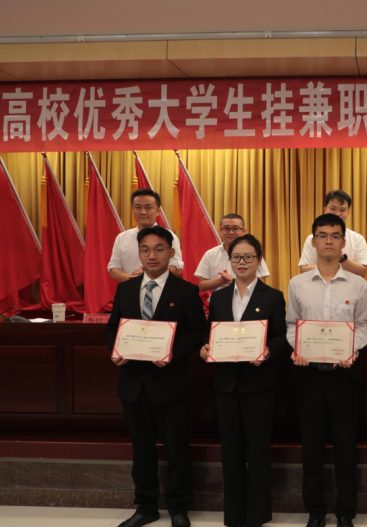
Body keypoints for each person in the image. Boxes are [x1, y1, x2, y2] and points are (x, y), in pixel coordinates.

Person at [105, 226, 206, 527]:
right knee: (142, 450)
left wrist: (171, 352)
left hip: (171, 383)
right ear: (139, 253)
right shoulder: (125, 289)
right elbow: (113, 329)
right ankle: (145, 506)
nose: (152, 255)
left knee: (176, 449)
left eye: (159, 249)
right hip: (134, 384)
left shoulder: (186, 291)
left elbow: (198, 332)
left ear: (171, 253)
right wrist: (115, 350)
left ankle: (179, 508)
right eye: (145, 249)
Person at [286, 213, 367, 527]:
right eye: (322, 235)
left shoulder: (358, 284)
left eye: (335, 235)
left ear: (344, 242)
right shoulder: (297, 284)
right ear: (313, 241)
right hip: (308, 374)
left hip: (344, 375)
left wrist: (351, 349)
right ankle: (316, 511)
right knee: (311, 446)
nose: (329, 241)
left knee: (346, 445)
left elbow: (363, 326)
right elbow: (292, 325)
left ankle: (346, 511)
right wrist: (299, 347)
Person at [201, 234, 288, 527]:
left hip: (259, 385)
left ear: (259, 261)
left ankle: (257, 514)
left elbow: (280, 337)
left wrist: (267, 351)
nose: (242, 262)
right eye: (237, 257)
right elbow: (211, 333)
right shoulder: (218, 297)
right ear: (230, 261)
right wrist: (205, 348)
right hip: (226, 384)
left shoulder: (273, 296)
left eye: (248, 257)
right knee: (231, 451)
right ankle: (234, 514)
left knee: (258, 450)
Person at [108, 189, 183, 282]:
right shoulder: (122, 238)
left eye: (148, 208)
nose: (143, 212)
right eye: (138, 207)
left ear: (158, 211)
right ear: (133, 210)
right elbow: (113, 269)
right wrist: (133, 279)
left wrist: (147, 277)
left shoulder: (169, 236)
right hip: (131, 288)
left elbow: (176, 267)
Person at [298, 190, 367, 277]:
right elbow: (304, 269)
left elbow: (363, 272)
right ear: (325, 209)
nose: (337, 214)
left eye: (342, 210)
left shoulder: (358, 239)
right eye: (333, 209)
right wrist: (331, 267)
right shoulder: (312, 238)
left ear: (348, 212)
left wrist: (341, 258)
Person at [195, 213, 270, 292]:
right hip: (218, 299)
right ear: (220, 230)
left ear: (243, 231)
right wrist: (221, 281)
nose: (231, 232)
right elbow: (202, 286)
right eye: (226, 228)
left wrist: (233, 281)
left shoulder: (253, 254)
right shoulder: (210, 254)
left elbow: (261, 285)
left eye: (235, 228)